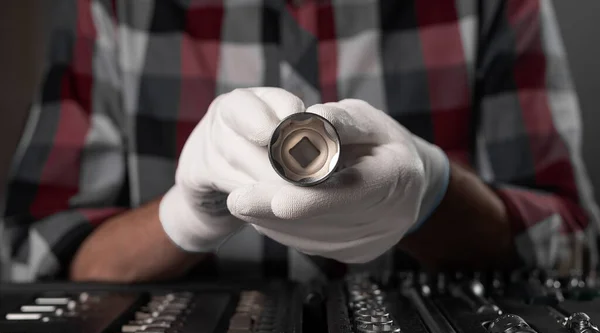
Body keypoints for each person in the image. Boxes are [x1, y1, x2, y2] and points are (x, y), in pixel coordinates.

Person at [1, 0, 598, 284]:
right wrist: (184, 217)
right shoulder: (115, 9)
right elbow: (35, 255)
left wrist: (432, 189)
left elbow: (572, 246)